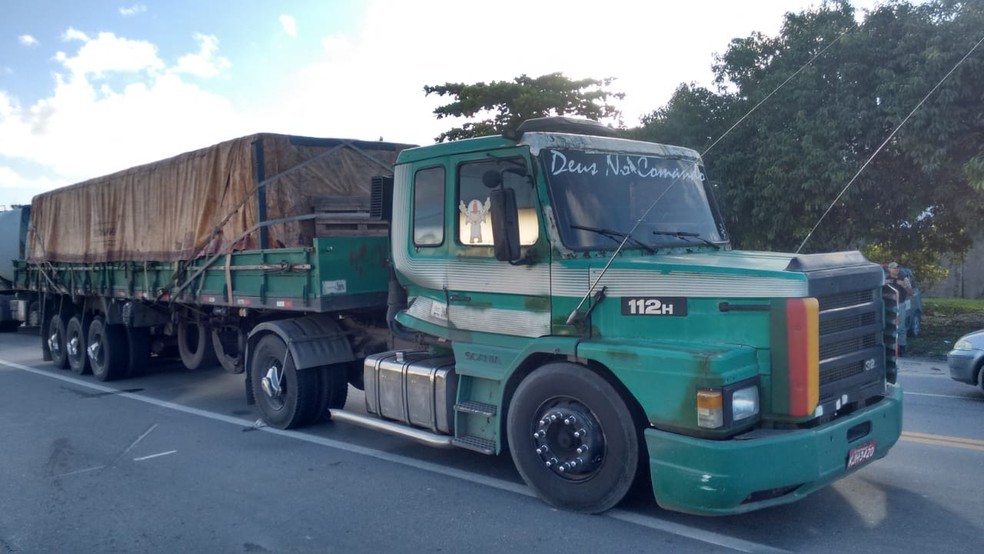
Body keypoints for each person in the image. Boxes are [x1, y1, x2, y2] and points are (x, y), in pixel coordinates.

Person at [886, 262, 914, 355]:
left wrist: (904, 285)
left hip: (900, 304)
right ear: (889, 269)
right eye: (894, 268)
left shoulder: (904, 279)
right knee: (888, 326)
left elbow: (911, 292)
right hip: (888, 305)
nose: (896, 270)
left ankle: (902, 348)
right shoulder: (885, 278)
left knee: (901, 327)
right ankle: (890, 347)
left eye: (897, 268)